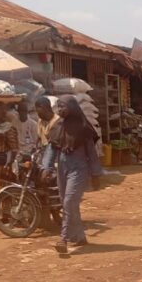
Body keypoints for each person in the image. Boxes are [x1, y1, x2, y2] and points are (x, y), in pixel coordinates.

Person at [47, 95, 103, 254]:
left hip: (79, 170)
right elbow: (51, 150)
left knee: (69, 202)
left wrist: (96, 175)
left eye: (63, 106)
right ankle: (79, 237)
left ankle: (63, 239)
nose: (60, 110)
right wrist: (46, 167)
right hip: (62, 170)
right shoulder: (58, 126)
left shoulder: (84, 128)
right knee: (70, 205)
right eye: (58, 107)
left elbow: (92, 154)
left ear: (72, 107)